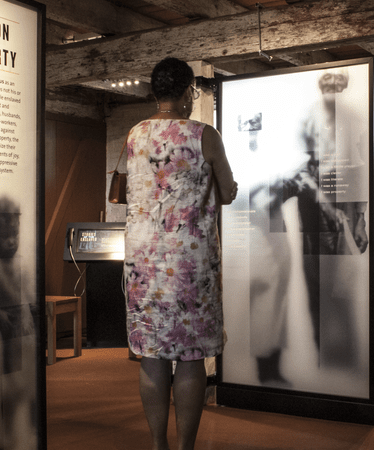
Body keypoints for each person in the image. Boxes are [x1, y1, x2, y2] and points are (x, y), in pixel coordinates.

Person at [123, 57, 237, 450]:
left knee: (152, 354)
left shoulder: (135, 135)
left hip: (144, 265)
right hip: (190, 265)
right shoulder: (204, 134)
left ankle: (158, 444)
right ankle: (185, 446)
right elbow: (226, 191)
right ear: (188, 92)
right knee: (189, 356)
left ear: (155, 91)